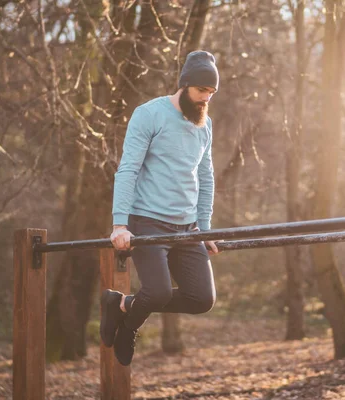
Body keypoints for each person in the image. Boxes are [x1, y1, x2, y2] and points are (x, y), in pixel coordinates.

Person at [100, 50, 220, 366]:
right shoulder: (149, 114)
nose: (205, 98)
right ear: (184, 85)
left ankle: (122, 304)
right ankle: (128, 328)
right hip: (148, 220)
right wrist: (119, 224)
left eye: (211, 93)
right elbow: (128, 169)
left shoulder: (205, 125)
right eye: (201, 91)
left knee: (202, 299)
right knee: (158, 293)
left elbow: (206, 176)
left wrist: (204, 227)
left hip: (187, 227)